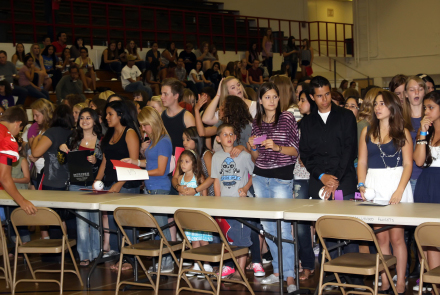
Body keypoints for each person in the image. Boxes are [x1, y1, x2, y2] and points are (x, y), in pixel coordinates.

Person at [357, 90, 413, 294]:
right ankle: (385, 279)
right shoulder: (367, 132)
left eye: (382, 104)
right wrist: (361, 185)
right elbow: (362, 161)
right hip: (374, 185)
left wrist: (399, 191)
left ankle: (400, 281)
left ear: (391, 107)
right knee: (381, 238)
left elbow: (408, 164)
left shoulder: (402, 132)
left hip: (396, 184)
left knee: (397, 237)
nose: (378, 108)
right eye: (376, 104)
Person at [248, 82, 299, 292]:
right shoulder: (257, 122)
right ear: (260, 100)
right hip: (260, 177)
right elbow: (256, 157)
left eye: (274, 97)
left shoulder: (286, 117)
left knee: (283, 229)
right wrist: (252, 147)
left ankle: (290, 277)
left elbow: (295, 151)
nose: (272, 100)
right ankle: (278, 271)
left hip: (281, 177)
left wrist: (277, 147)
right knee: (269, 229)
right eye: (267, 97)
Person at [122, 106, 174, 272]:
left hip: (159, 189)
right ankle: (163, 260)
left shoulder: (164, 140)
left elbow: (160, 170)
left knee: (161, 228)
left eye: (145, 125)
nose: (143, 129)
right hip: (152, 188)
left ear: (153, 122)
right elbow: (152, 164)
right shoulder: (155, 140)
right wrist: (135, 162)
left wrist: (139, 173)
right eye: (141, 125)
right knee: (157, 228)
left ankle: (167, 262)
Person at [94, 100, 141, 259]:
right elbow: (105, 161)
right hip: (109, 182)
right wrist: (97, 180)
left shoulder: (130, 133)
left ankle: (130, 257)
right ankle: (116, 251)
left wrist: (119, 184)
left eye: (110, 114)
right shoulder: (109, 134)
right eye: (106, 114)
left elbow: (134, 162)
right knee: (113, 220)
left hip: (126, 184)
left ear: (120, 115)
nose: (107, 117)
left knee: (125, 221)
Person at [59, 108, 102, 266]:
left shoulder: (101, 140)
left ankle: (97, 254)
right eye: (82, 118)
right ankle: (84, 255)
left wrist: (95, 161)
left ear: (95, 120)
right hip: (76, 185)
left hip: (95, 184)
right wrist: (61, 151)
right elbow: (62, 161)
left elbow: (104, 161)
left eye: (88, 118)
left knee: (95, 221)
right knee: (81, 222)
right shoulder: (73, 139)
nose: (84, 121)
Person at [212, 123, 255, 279]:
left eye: (231, 134)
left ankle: (241, 270)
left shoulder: (244, 156)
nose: (229, 137)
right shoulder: (216, 157)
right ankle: (233, 267)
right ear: (218, 139)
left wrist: (245, 188)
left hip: (240, 204)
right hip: (224, 204)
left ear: (236, 137)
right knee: (229, 237)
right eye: (225, 134)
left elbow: (254, 174)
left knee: (242, 237)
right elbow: (216, 180)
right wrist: (217, 202)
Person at [413, 91, 440, 280]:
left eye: (431, 107)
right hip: (426, 182)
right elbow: (419, 161)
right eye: (425, 108)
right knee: (429, 237)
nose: (427, 111)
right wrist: (422, 132)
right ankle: (433, 283)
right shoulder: (426, 131)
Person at [295, 87, 317, 280]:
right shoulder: (298, 124)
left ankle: (317, 264)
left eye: (302, 100)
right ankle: (306, 264)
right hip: (299, 176)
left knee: (323, 222)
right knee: (301, 225)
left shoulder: (322, 123)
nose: (299, 103)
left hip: (318, 177)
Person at [0, 107, 36, 215]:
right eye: (20, 129)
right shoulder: (7, 138)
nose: (17, 133)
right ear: (18, 123)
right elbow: (4, 177)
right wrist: (22, 201)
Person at [30, 104, 73, 191]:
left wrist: (35, 140)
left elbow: (35, 153)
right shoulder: (73, 133)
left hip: (52, 180)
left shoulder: (52, 132)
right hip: (69, 180)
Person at [404, 76, 426, 194]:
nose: (416, 92)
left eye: (420, 89)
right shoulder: (400, 121)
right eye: (412, 90)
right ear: (406, 94)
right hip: (408, 178)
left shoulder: (433, 119)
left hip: (429, 176)